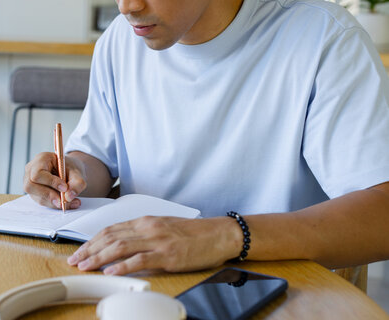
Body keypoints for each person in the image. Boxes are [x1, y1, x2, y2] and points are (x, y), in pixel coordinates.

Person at [23, 0, 389, 276]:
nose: (128, 6)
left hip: (285, 294)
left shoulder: (324, 38)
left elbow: (381, 213)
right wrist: (71, 171)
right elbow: (98, 158)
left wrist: (224, 236)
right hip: (146, 287)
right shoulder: (119, 41)